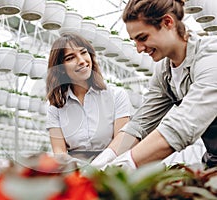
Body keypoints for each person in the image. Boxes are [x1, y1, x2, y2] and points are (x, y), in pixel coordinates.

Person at [92, 0, 217, 169]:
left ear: (168, 22)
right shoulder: (165, 73)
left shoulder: (211, 57)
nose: (139, 48)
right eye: (134, 40)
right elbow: (141, 124)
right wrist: (103, 160)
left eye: (143, 38)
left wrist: (125, 164)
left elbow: (182, 126)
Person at [45, 33, 131, 162]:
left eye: (83, 52)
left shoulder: (116, 95)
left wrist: (97, 167)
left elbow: (121, 143)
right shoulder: (55, 106)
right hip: (75, 170)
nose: (81, 61)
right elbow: (59, 152)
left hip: (111, 167)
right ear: (61, 68)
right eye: (70, 58)